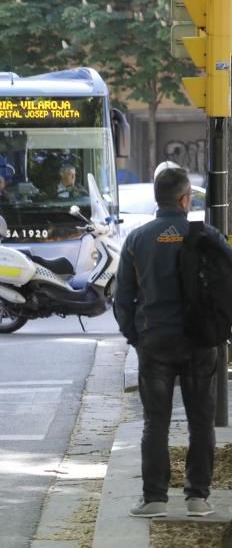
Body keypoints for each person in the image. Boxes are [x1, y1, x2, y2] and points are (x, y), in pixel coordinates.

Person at [115, 167, 232, 518]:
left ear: (158, 198)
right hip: (200, 343)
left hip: (155, 343)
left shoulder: (137, 239)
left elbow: (122, 299)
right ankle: (197, 498)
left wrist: (134, 336)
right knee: (201, 422)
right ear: (185, 199)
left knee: (156, 423)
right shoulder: (207, 235)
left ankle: (154, 499)